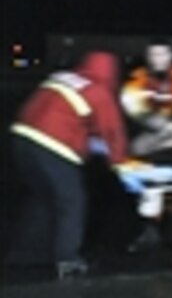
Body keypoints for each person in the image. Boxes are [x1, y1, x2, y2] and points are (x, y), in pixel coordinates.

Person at [7, 51, 129, 278]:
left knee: (42, 198)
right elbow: (112, 132)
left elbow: (68, 114)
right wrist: (120, 162)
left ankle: (26, 254)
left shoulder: (63, 77)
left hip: (20, 138)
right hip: (52, 145)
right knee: (71, 202)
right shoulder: (98, 90)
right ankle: (67, 260)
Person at [121, 38, 172, 159]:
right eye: (153, 55)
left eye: (162, 54)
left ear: (171, 56)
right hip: (151, 131)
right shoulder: (138, 79)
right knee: (136, 147)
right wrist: (160, 123)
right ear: (148, 57)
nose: (158, 59)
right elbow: (131, 105)